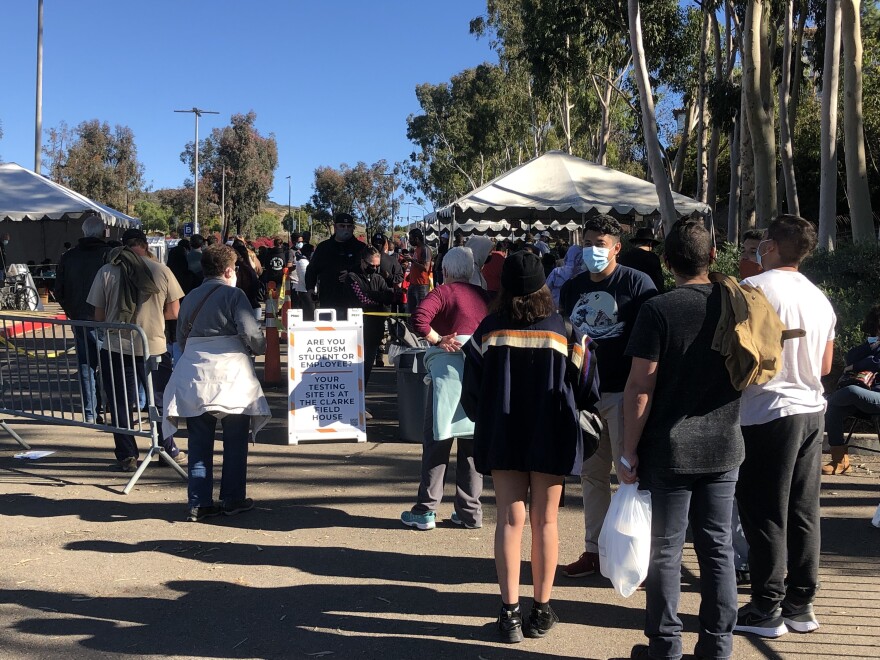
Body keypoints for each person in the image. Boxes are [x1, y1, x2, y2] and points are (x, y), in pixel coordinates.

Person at [619, 219, 744, 660]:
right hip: (725, 443)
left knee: (666, 549)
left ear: (666, 262)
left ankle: (665, 645)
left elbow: (639, 389)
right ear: (713, 256)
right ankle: (717, 645)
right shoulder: (736, 304)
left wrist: (627, 450)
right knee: (717, 547)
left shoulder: (659, 309)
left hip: (669, 449)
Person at [461, 251, 599, 644]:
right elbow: (589, 388)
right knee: (546, 521)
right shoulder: (566, 331)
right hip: (551, 436)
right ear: (544, 286)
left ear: (503, 286)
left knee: (509, 520)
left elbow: (471, 394)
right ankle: (541, 610)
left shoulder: (487, 330)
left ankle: (509, 615)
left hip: (503, 435)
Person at [735, 215, 836, 638]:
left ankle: (765, 607)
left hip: (767, 411)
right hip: (813, 409)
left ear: (772, 246)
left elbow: (734, 355)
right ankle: (801, 603)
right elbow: (827, 365)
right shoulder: (819, 298)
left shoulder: (754, 290)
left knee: (764, 512)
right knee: (802, 510)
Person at [558, 214, 657, 578]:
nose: (592, 250)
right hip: (585, 397)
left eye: (599, 244)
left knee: (631, 475)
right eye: (587, 243)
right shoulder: (572, 288)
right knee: (591, 475)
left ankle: (635, 559)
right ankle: (594, 551)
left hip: (623, 394)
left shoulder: (638, 284)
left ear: (617, 247)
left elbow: (653, 341)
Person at [162, 245, 270, 522]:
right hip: (232, 377)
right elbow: (251, 334)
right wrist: (259, 347)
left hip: (195, 376)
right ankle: (232, 499)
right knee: (235, 442)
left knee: (199, 442)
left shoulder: (190, 298)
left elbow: (182, 340)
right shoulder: (235, 295)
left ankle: (199, 503)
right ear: (229, 270)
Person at [401, 247, 491, 531]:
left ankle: (426, 510)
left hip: (447, 375)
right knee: (471, 445)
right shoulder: (484, 297)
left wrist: (438, 339)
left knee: (437, 441)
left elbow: (419, 319)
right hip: (480, 374)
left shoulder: (442, 292)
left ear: (446, 271)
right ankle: (470, 512)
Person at [86, 228, 186, 472]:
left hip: (115, 347)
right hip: (153, 346)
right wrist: (153, 320)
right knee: (160, 401)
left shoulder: (107, 271)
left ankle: (127, 455)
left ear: (122, 246)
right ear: (145, 245)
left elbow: (98, 315)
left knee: (120, 403)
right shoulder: (161, 270)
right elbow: (174, 312)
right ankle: (167, 448)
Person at [54, 214, 111, 424]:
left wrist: (72, 311)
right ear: (103, 231)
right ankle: (108, 408)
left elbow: (58, 290)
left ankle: (90, 412)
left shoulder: (69, 257)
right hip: (103, 319)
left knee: (86, 366)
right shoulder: (108, 255)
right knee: (107, 366)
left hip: (80, 318)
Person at [823, 305, 880, 475]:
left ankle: (824, 402)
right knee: (835, 409)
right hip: (868, 395)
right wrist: (870, 346)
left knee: (851, 392)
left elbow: (874, 363)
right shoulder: (873, 345)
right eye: (877, 327)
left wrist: (856, 365)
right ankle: (839, 461)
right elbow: (850, 356)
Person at [342, 246, 394, 386]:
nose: (375, 268)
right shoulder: (352, 277)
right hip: (356, 332)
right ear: (363, 262)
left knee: (366, 371)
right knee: (353, 370)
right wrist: (380, 299)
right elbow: (362, 300)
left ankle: (361, 403)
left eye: (377, 265)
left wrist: (374, 296)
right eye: (372, 265)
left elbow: (391, 297)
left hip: (374, 331)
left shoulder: (378, 278)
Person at [305, 213, 362, 319]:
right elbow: (311, 269)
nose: (346, 229)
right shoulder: (324, 247)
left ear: (353, 228)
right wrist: (310, 288)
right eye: (342, 226)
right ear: (335, 227)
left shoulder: (360, 248)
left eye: (349, 226)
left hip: (354, 303)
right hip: (328, 301)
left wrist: (352, 275)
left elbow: (369, 271)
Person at [618, 227, 665, 292]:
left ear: (635, 243)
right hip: (647, 295)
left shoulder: (623, 257)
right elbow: (658, 282)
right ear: (650, 243)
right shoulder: (652, 258)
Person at [404, 227, 433, 314]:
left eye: (411, 239)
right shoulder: (417, 249)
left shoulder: (425, 249)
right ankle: (411, 326)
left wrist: (411, 260)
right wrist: (410, 275)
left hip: (422, 285)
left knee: (422, 311)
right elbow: (416, 265)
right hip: (413, 284)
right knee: (410, 310)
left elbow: (425, 268)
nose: (409, 241)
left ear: (417, 239)